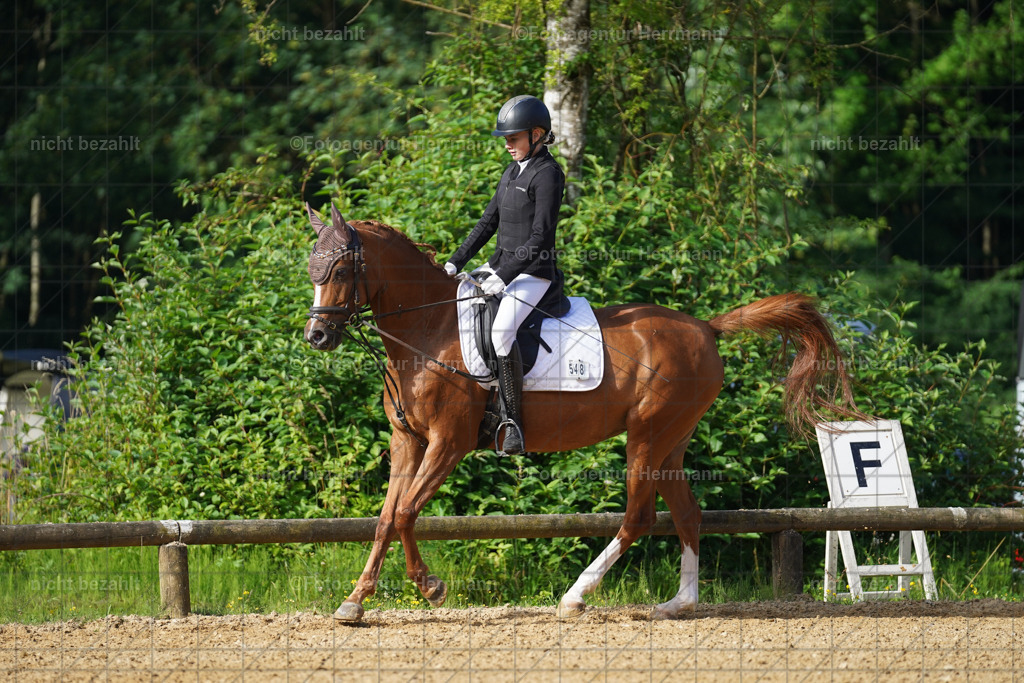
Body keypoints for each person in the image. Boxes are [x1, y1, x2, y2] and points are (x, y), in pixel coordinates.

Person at [444, 95, 566, 455]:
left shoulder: (548, 175)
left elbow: (541, 237)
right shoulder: (512, 171)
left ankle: (512, 422)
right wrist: (455, 262)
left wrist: (507, 274)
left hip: (534, 273)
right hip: (500, 266)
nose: (508, 145)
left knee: (500, 333)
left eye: (513, 138)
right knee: (457, 306)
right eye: (506, 139)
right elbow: (488, 222)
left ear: (537, 135)